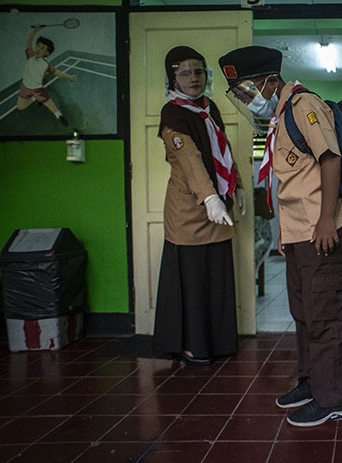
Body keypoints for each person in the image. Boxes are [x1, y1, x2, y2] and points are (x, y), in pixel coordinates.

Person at [218, 45, 342, 427]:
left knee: (324, 314)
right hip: (297, 231)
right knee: (304, 312)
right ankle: (312, 383)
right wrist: (283, 231)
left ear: (268, 80)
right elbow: (288, 181)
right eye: (239, 93)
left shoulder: (303, 106)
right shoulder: (280, 116)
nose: (246, 98)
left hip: (318, 229)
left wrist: (327, 219)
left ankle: (334, 400)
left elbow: (330, 158)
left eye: (247, 89)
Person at [152, 46, 247, 366]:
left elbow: (224, 149)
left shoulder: (209, 107)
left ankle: (219, 342)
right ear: (172, 78)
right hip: (190, 210)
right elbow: (189, 158)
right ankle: (192, 345)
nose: (193, 78)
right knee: (192, 283)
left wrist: (239, 188)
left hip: (218, 205)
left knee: (217, 278)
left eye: (199, 71)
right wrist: (210, 198)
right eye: (185, 72)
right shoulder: (174, 114)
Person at [16, 25, 77, 127]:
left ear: (47, 53)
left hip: (37, 89)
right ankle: (33, 99)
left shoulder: (45, 65)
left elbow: (57, 72)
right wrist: (35, 30)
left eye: (42, 48)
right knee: (20, 107)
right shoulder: (30, 55)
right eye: (38, 46)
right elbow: (28, 43)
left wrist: (69, 77)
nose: (39, 49)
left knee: (48, 103)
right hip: (25, 87)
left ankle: (59, 116)